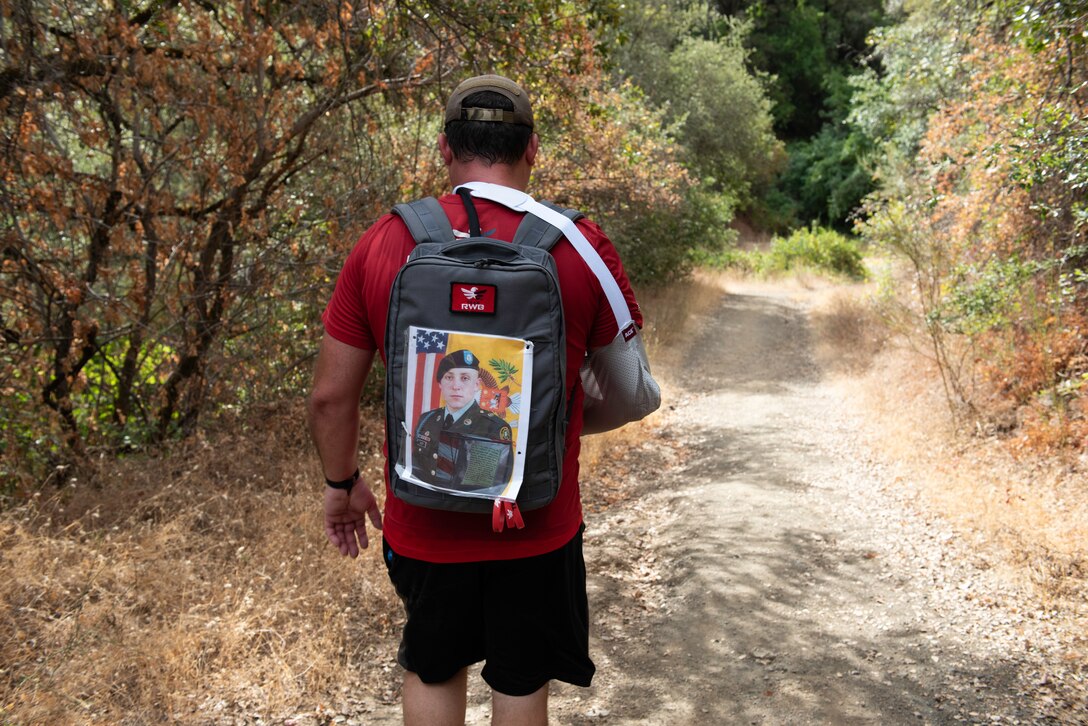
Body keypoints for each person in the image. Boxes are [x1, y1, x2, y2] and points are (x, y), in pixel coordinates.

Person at [307, 74, 643, 726]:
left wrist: (341, 482)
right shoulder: (582, 246)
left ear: (443, 148)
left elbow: (329, 397)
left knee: (432, 664)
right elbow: (632, 395)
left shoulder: (385, 242)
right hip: (537, 528)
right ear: (533, 149)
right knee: (521, 679)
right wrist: (551, 429)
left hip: (423, 530)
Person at [411, 348, 513, 489]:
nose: (456, 386)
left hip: (470, 508)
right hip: (426, 502)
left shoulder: (493, 428)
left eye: (465, 378)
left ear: (477, 385)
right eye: (449, 377)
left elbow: (492, 488)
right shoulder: (426, 420)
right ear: (440, 383)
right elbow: (416, 469)